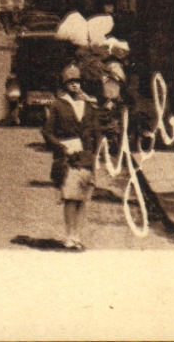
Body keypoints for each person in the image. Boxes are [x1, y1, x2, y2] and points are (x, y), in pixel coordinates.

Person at [42, 63, 99, 250]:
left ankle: (78, 236)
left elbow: (96, 131)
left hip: (86, 156)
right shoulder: (59, 105)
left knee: (82, 198)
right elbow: (47, 132)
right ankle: (69, 235)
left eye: (77, 81)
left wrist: (94, 153)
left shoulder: (88, 106)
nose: (75, 85)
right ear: (65, 85)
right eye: (70, 82)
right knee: (69, 197)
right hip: (68, 157)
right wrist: (61, 146)